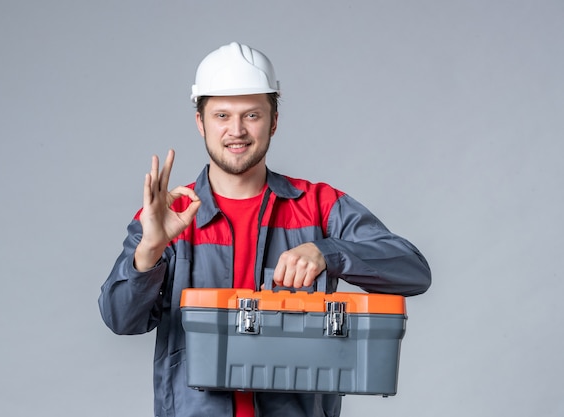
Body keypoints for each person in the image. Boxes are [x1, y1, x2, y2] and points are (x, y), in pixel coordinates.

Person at [99, 41, 431, 417]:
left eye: (252, 115)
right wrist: (150, 250)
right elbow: (120, 320)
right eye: (222, 116)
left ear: (273, 120)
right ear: (200, 122)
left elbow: (414, 272)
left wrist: (328, 252)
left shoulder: (319, 205)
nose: (236, 131)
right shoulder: (168, 215)